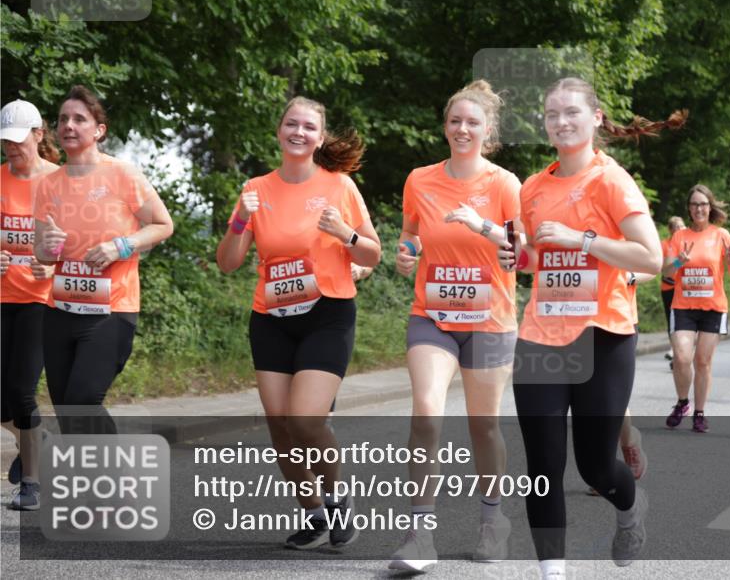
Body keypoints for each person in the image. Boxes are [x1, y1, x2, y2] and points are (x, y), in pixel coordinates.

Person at [498, 77, 683, 577]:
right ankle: (552, 573)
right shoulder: (533, 188)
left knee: (595, 467)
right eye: (552, 114)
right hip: (541, 335)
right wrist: (518, 257)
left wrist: (581, 239)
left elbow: (651, 256)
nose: (561, 122)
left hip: (603, 335)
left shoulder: (611, 181)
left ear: (596, 118)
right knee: (543, 467)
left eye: (572, 112)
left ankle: (630, 506)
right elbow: (535, 259)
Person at [216, 96, 380, 550]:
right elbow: (228, 262)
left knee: (305, 421)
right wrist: (240, 220)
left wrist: (345, 233)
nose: (299, 133)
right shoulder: (256, 189)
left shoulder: (339, 186)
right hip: (271, 318)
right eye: (292, 124)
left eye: (309, 127)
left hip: (327, 314)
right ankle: (313, 513)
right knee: (281, 427)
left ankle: (337, 498)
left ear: (320, 138)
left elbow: (372, 254)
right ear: (279, 130)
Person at [389, 81, 519, 572]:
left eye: (472, 122)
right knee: (426, 412)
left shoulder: (504, 184)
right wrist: (407, 254)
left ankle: (492, 521)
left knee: (483, 427)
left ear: (488, 131)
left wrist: (487, 230)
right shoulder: (420, 179)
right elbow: (411, 234)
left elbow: (522, 249)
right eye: (455, 121)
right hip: (433, 316)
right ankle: (420, 536)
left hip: (490, 319)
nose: (463, 129)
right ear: (445, 127)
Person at [34, 86, 173, 436]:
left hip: (112, 310)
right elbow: (41, 252)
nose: (69, 125)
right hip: (60, 309)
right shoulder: (48, 185)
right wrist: (47, 247)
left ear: (99, 130)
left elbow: (163, 224)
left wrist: (121, 246)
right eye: (63, 119)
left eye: (79, 119)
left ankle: (116, 466)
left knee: (82, 400)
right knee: (68, 414)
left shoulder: (122, 174)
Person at [1, 99, 60, 510]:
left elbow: (81, 244)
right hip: (2, 296)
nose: (11, 148)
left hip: (41, 300)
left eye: (18, 140)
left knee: (22, 391)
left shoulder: (60, 181)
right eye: (6, 141)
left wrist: (53, 268)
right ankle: (37, 439)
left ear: (39, 135)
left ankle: (32, 485)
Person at [662, 185, 730, 433]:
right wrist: (679, 261)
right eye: (695, 204)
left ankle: (699, 413)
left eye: (703, 204)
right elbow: (667, 273)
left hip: (713, 308)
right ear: (689, 208)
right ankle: (682, 402)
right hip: (683, 307)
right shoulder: (679, 237)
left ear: (710, 207)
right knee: (681, 358)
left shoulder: (721, 235)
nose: (699, 209)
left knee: (703, 361)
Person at [659, 216, 686, 365]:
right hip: (669, 288)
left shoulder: (688, 243)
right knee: (672, 320)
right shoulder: (665, 245)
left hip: (684, 288)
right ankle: (675, 350)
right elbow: (664, 269)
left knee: (683, 320)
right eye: (677, 227)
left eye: (682, 226)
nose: (680, 229)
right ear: (670, 230)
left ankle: (679, 351)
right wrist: (678, 262)